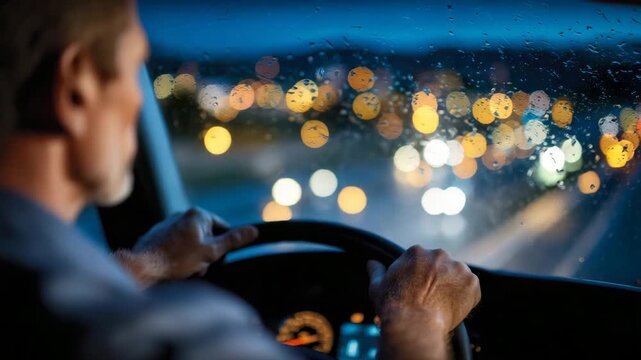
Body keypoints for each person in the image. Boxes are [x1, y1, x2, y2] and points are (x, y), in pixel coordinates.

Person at [0, 1, 481, 359]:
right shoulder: (175, 335)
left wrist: (145, 264)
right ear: (77, 89)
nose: (139, 103)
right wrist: (419, 318)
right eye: (133, 69)